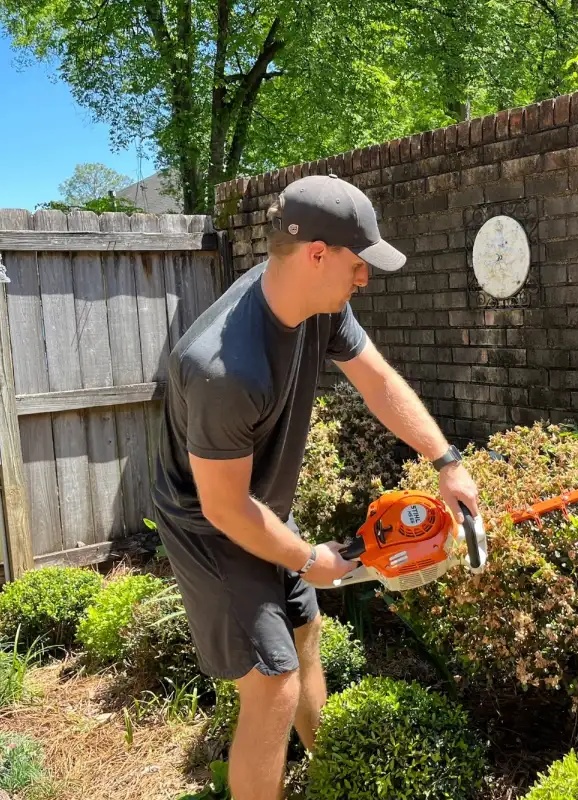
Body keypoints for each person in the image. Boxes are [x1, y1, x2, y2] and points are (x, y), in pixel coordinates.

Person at [149, 174, 481, 800]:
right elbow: (224, 507)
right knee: (272, 685)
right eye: (359, 265)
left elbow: (378, 380)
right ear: (317, 254)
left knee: (305, 635)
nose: (365, 279)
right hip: (210, 528)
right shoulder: (223, 367)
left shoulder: (314, 306)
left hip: (259, 505)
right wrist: (309, 558)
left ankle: (327, 772)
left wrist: (445, 459)